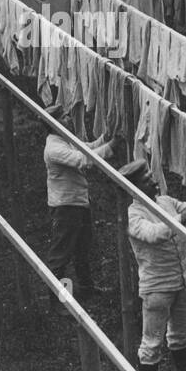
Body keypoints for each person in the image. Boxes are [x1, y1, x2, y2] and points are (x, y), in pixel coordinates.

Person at [119, 159, 186, 371]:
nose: (153, 181)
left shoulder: (165, 202)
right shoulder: (133, 216)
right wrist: (184, 217)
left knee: (182, 332)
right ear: (134, 189)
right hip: (157, 288)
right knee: (151, 340)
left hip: (182, 278)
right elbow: (156, 234)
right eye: (147, 180)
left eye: (151, 176)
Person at [43, 102, 117, 309]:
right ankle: (60, 302)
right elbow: (83, 160)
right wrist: (111, 147)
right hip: (65, 207)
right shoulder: (54, 148)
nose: (69, 118)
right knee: (61, 255)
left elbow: (87, 148)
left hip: (77, 203)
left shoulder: (64, 140)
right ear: (54, 123)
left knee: (82, 248)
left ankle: (86, 287)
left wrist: (106, 137)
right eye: (64, 116)